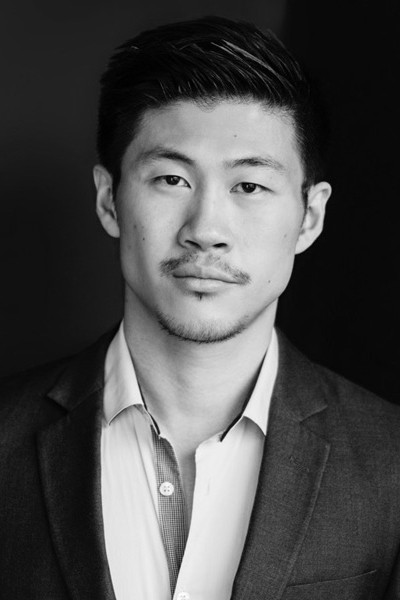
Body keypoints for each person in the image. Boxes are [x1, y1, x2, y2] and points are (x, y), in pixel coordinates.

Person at [1, 15, 399, 600]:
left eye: (249, 186)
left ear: (309, 217)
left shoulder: (390, 461)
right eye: (171, 179)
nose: (206, 230)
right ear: (109, 200)